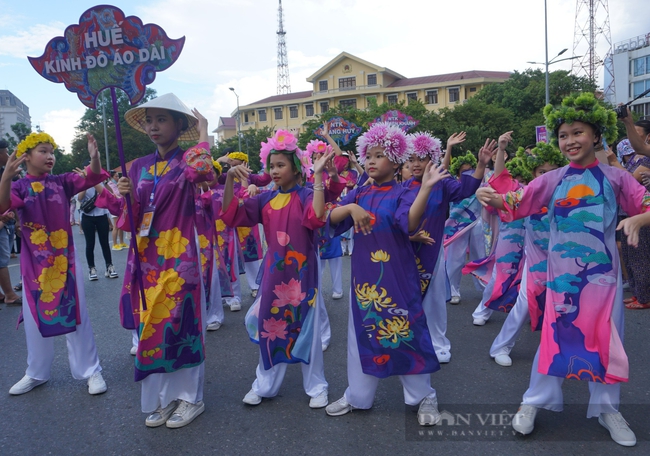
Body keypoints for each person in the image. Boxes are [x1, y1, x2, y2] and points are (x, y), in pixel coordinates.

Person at [477, 93, 649, 447]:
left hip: (604, 281)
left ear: (597, 135)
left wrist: (641, 218)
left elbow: (646, 204)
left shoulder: (617, 178)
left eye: (578, 133)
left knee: (606, 340)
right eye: (563, 135)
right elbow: (516, 203)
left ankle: (607, 409)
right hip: (560, 279)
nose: (569, 141)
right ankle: (533, 401)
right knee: (554, 340)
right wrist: (494, 198)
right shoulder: (551, 180)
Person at [96, 93, 215, 428]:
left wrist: (204, 131)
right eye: (149, 120)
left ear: (179, 125)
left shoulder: (188, 161)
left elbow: (203, 171)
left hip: (180, 256)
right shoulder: (139, 167)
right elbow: (129, 218)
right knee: (152, 326)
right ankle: (163, 400)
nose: (153, 126)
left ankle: (191, 398)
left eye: (162, 119)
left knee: (182, 323)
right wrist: (126, 195)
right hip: (146, 259)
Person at [324, 123, 449, 427]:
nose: (370, 160)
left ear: (395, 161)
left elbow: (407, 223)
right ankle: (358, 395)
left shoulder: (403, 191)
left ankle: (423, 395)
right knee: (361, 337)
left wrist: (428, 188)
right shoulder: (360, 191)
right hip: (365, 282)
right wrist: (351, 206)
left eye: (379, 155)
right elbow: (330, 218)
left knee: (407, 334)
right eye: (368, 155)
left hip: (397, 277)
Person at [221, 129, 331, 408]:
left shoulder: (306, 195)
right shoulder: (266, 200)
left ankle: (316, 386)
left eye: (281, 165)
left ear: (296, 169)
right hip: (274, 275)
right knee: (271, 326)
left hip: (304, 275)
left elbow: (318, 218)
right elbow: (231, 215)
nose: (274, 171)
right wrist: (230, 183)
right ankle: (265, 384)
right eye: (271, 165)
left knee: (307, 328)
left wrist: (317, 175)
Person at [0, 131, 108, 396]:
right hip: (34, 267)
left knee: (77, 315)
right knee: (36, 319)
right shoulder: (19, 187)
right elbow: (3, 205)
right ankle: (36, 372)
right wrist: (5, 177)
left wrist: (94, 158)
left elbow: (92, 178)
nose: (50, 157)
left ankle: (91, 370)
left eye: (52, 151)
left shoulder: (62, 182)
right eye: (43, 151)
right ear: (26, 157)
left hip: (65, 263)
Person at [477, 143, 567, 367]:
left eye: (552, 171)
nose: (546, 176)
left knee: (567, 306)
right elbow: (501, 184)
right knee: (525, 302)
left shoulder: (570, 196)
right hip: (535, 261)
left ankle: (566, 350)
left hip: (565, 263)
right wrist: (483, 192)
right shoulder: (528, 194)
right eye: (541, 172)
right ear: (534, 174)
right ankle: (501, 345)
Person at [404, 131, 489, 363]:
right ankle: (411, 339)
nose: (415, 164)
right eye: (411, 159)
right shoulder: (404, 186)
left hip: (433, 251)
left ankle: (439, 344)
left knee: (433, 300)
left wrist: (481, 165)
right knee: (408, 298)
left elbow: (465, 190)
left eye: (420, 158)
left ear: (432, 158)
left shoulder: (441, 183)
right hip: (407, 252)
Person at [77, 176, 118, 280]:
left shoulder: (101, 181)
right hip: (87, 217)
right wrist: (87, 183)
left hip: (102, 215)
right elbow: (80, 198)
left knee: (105, 243)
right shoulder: (83, 181)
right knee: (90, 244)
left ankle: (109, 266)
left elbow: (111, 194)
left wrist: (104, 182)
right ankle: (92, 269)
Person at [0, 138, 22, 305]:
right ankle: (9, 294)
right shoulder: (5, 173)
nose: (8, 155)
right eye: (6, 151)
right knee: (2, 260)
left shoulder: (6, 171)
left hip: (6, 220)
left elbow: (13, 199)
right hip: (2, 222)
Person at [107, 171, 126, 250]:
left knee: (121, 225)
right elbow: (114, 195)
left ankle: (121, 242)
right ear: (111, 177)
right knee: (116, 226)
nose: (118, 178)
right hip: (114, 206)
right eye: (116, 176)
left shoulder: (117, 184)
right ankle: (114, 244)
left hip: (121, 205)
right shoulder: (109, 185)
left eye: (118, 176)